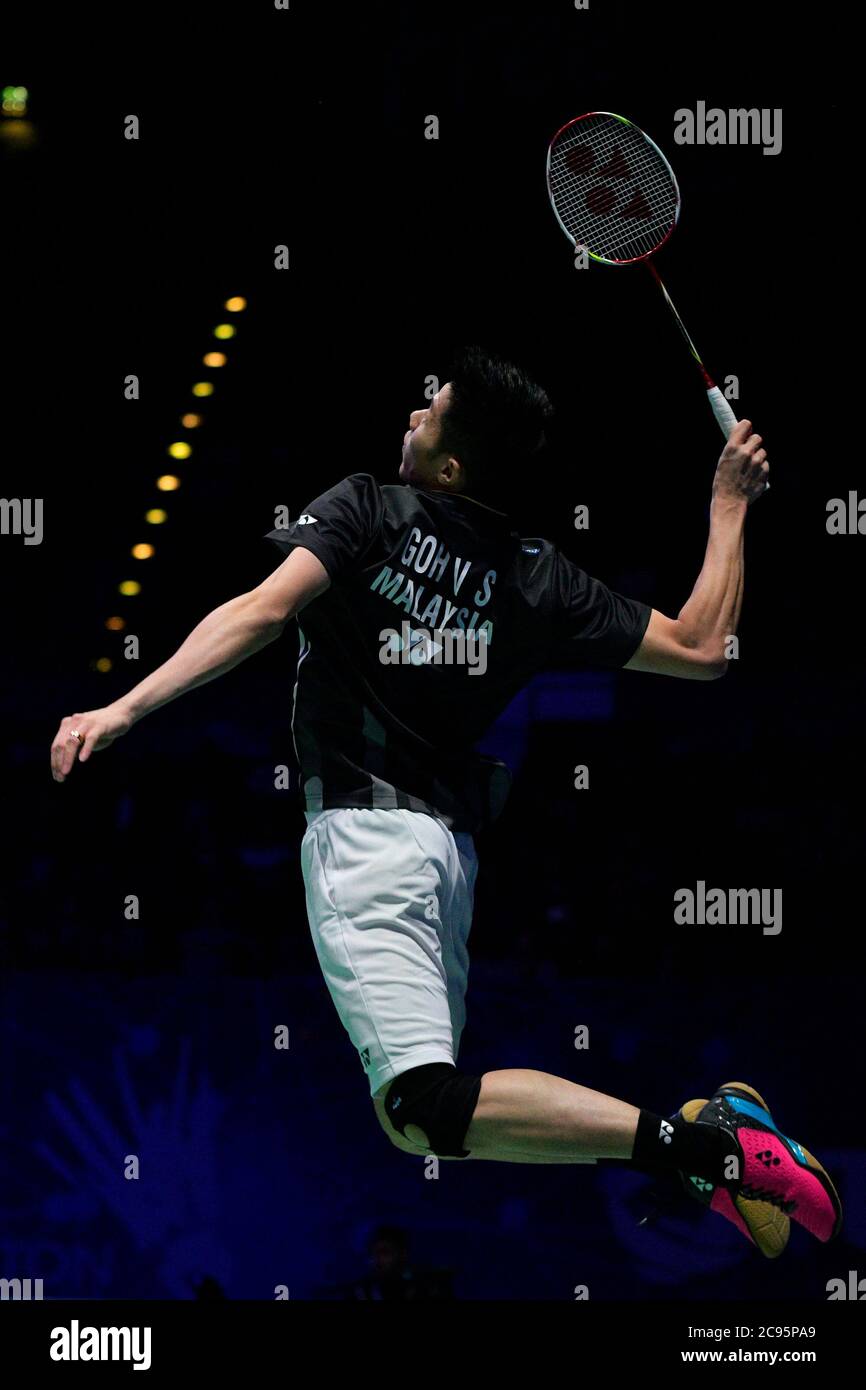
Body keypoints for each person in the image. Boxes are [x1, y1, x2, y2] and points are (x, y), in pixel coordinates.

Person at [50, 347, 840, 1261]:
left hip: (363, 839)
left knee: (421, 1107)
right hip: (444, 859)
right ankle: (707, 1148)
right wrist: (729, 502)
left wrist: (122, 708)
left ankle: (714, 1151)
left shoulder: (366, 510)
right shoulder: (538, 577)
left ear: (450, 464)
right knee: (435, 1114)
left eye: (428, 414)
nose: (412, 417)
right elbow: (705, 647)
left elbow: (261, 612)